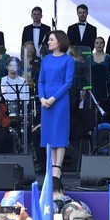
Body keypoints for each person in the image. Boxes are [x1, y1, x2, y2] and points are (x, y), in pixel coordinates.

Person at [39, 30, 75, 180]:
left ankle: (57, 168)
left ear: (60, 41)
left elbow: (68, 83)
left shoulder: (68, 60)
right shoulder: (46, 59)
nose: (48, 42)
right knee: (49, 133)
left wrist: (53, 98)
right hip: (46, 100)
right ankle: (51, 166)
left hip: (59, 99)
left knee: (59, 132)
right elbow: (40, 81)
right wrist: (42, 98)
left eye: (51, 39)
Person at [89, 37, 110, 102]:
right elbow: (87, 74)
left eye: (101, 43)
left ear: (104, 44)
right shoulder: (89, 57)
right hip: (92, 88)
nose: (99, 45)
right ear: (94, 45)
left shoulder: (109, 58)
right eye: (97, 43)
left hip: (105, 88)